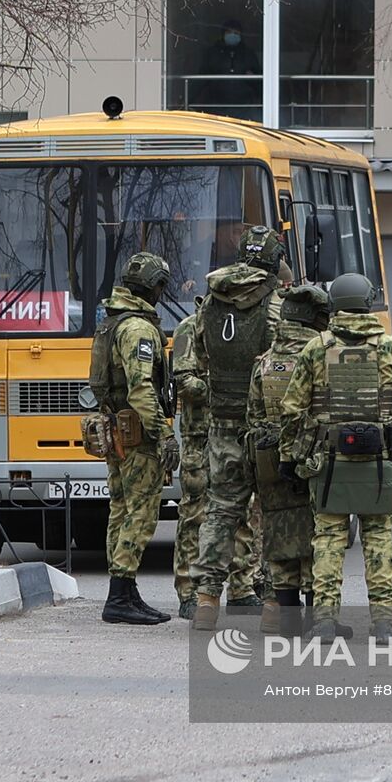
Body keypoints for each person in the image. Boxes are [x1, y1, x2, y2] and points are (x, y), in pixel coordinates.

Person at [279, 273, 392, 642]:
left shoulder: (315, 348)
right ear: (368, 302)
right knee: (378, 539)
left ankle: (325, 621)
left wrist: (288, 456)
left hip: (328, 461)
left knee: (327, 539)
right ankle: (384, 624)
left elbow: (292, 408)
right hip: (380, 461)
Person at [190, 226, 285, 630]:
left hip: (222, 424)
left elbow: (199, 356)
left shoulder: (209, 303)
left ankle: (207, 601)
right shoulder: (276, 305)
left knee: (221, 512)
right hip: (262, 428)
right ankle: (272, 608)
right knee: (274, 514)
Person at [90, 253, 180, 625]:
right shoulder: (139, 330)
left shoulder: (111, 321)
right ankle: (120, 595)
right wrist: (164, 435)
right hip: (138, 435)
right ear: (152, 287)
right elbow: (143, 389)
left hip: (115, 429)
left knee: (120, 510)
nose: (162, 293)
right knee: (141, 513)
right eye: (161, 286)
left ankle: (124, 592)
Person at [172, 300, 263, 621]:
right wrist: (223, 389)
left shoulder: (245, 329)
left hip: (237, 435)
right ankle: (189, 592)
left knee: (245, 513)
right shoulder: (191, 326)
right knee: (195, 514)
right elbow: (183, 379)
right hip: (201, 437)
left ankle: (242, 588)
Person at [247, 284, 330, 634]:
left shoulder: (264, 364)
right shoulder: (324, 358)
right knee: (317, 534)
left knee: (279, 533)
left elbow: (251, 420)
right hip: (315, 460)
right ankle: (317, 619)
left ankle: (286, 620)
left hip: (271, 461)